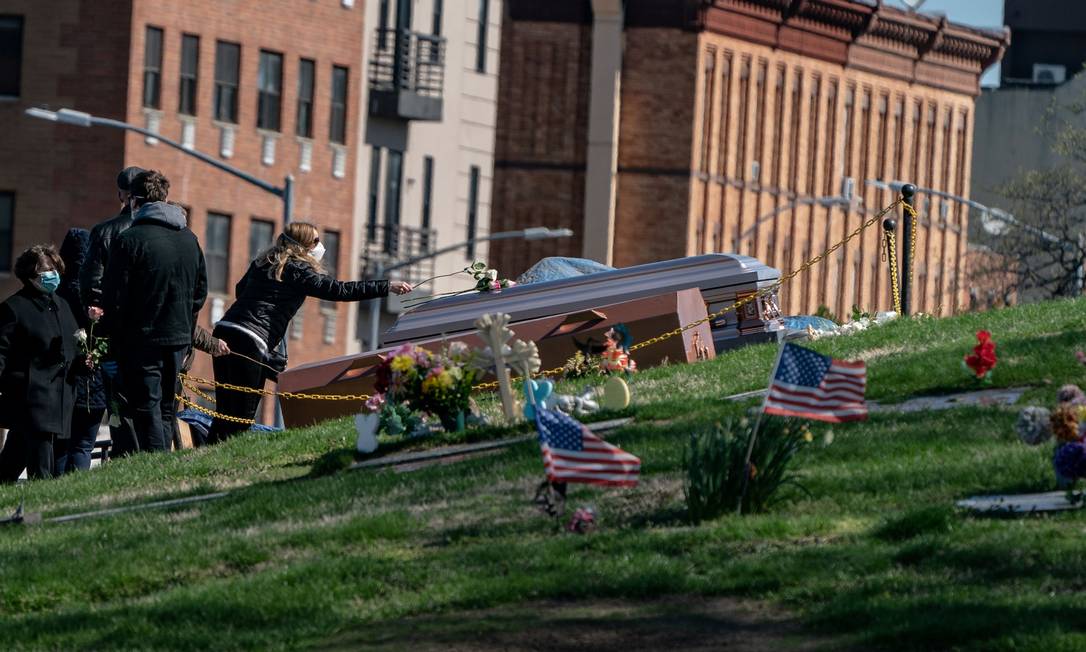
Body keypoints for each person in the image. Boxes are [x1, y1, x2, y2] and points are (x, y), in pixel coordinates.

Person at [207, 222, 411, 442]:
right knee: (241, 419)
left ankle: (204, 458)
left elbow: (240, 290)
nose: (319, 245)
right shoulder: (298, 270)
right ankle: (226, 466)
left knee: (224, 411)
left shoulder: (263, 261)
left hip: (225, 330)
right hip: (251, 340)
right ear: (302, 246)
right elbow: (340, 290)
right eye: (315, 241)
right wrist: (387, 286)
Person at [100, 170, 208, 453]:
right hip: (178, 339)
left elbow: (114, 298)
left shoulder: (129, 240)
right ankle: (163, 462)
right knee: (167, 405)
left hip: (142, 339)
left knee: (146, 406)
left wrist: (113, 340)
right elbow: (200, 292)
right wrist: (185, 325)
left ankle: (156, 464)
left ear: (136, 201)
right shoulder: (190, 239)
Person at [0, 245, 82, 481]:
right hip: (32, 397)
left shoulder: (62, 305)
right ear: (30, 275)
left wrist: (85, 361)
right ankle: (43, 507)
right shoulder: (13, 309)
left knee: (12, 459)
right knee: (42, 469)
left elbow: (74, 345)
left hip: (62, 398)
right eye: (46, 270)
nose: (53, 274)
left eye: (55, 268)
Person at [82, 166, 144, 457]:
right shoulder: (170, 231)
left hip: (115, 338)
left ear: (121, 194)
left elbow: (92, 286)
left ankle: (124, 455)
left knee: (118, 405)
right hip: (155, 335)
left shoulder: (105, 232)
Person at [54, 229, 107, 474]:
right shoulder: (95, 293)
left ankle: (55, 492)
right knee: (84, 445)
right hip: (94, 381)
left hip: (64, 381)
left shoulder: (56, 293)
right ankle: (77, 490)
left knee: (62, 445)